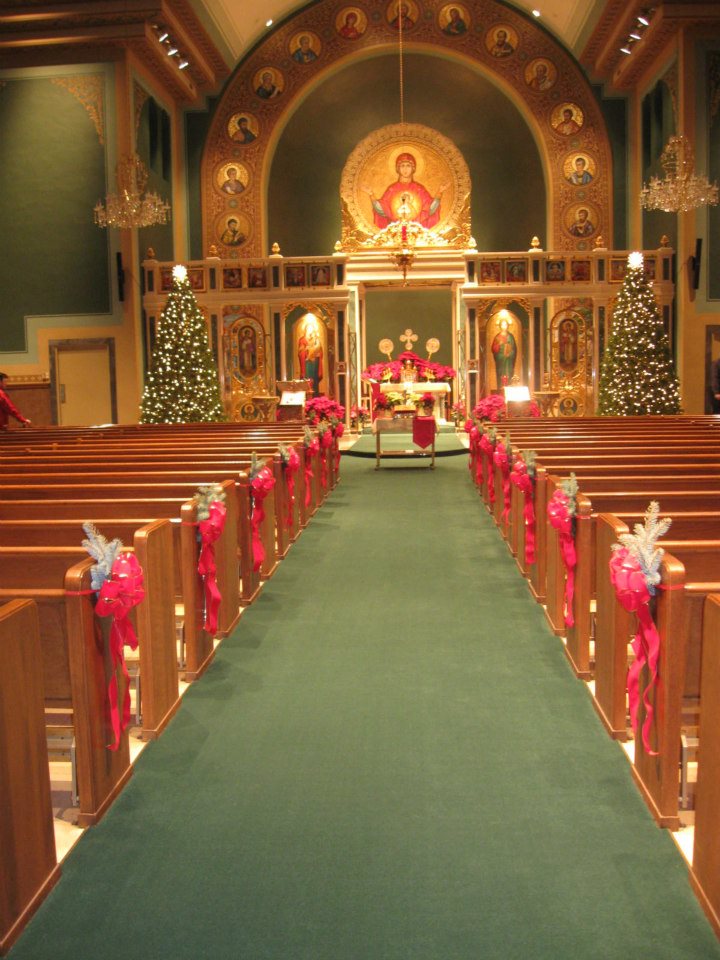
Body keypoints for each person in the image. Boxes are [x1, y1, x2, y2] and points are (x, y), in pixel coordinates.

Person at [364, 152, 447, 230]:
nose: (405, 169)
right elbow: (382, 210)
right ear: (398, 168)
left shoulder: (419, 189)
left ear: (413, 168)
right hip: (395, 230)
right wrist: (372, 195)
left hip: (416, 230)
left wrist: (439, 192)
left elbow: (429, 209)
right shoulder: (392, 189)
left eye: (408, 166)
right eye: (402, 166)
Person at [491, 319, 517, 386]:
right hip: (500, 360)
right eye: (502, 324)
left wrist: (510, 354)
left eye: (505, 324)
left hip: (509, 360)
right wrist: (499, 345)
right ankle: (501, 387)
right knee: (501, 373)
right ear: (500, 326)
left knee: (509, 373)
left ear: (507, 326)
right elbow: (494, 349)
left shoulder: (511, 336)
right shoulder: (497, 337)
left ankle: (509, 386)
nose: (504, 326)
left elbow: (514, 349)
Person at [298, 326, 323, 394]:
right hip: (307, 363)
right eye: (309, 329)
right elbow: (301, 352)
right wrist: (306, 350)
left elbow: (320, 351)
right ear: (306, 330)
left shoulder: (316, 339)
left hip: (315, 363)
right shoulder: (302, 340)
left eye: (312, 329)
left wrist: (313, 350)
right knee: (307, 379)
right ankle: (307, 394)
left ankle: (315, 395)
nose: (310, 331)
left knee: (314, 379)